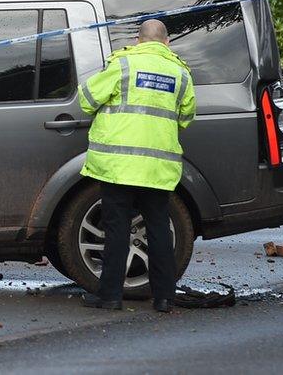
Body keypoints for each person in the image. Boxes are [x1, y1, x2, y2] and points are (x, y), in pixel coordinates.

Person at [78, 19, 196, 313]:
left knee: (117, 230)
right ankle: (165, 297)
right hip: (157, 169)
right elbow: (186, 117)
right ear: (166, 43)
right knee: (158, 229)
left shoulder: (123, 65)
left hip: (119, 166)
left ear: (138, 40)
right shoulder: (180, 74)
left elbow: (87, 100)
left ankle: (110, 296)